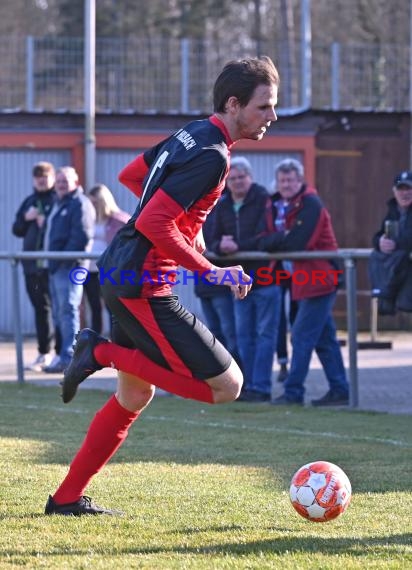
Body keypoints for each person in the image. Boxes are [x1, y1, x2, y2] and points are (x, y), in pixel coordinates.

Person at [44, 56, 279, 516]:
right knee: (226, 386)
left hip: (123, 273)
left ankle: (66, 498)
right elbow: (154, 220)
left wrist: (187, 226)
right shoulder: (212, 156)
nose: (272, 116)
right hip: (142, 286)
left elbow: (132, 176)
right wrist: (210, 270)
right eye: (264, 106)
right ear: (234, 104)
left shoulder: (195, 131)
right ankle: (99, 353)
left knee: (135, 394)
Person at [252, 158, 349, 406]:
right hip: (303, 280)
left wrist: (280, 239)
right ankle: (340, 390)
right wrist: (282, 237)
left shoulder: (311, 203)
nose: (286, 184)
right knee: (324, 339)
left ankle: (294, 392)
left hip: (320, 277)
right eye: (282, 180)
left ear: (300, 181)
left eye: (290, 180)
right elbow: (261, 240)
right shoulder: (274, 203)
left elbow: (299, 244)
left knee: (301, 336)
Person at [208, 156, 281, 402]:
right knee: (243, 336)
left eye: (242, 177)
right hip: (238, 282)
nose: (238, 182)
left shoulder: (264, 200)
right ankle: (247, 386)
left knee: (265, 336)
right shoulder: (223, 204)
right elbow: (211, 237)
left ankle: (262, 387)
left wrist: (238, 246)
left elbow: (268, 237)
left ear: (250, 178)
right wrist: (221, 245)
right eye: (233, 178)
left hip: (265, 279)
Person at [43, 166, 96, 373]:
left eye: (65, 181)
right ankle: (63, 355)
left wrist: (62, 259)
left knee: (68, 311)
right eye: (59, 181)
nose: (61, 185)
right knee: (59, 313)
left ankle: (70, 357)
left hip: (71, 266)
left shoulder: (80, 204)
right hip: (56, 266)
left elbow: (81, 237)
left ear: (75, 182)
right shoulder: (60, 202)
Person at [12, 161, 60, 371]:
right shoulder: (29, 201)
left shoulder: (57, 200)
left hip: (52, 266)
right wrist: (26, 217)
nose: (42, 181)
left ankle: (61, 353)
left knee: (58, 309)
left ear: (51, 178)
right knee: (40, 309)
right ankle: (43, 353)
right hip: (31, 266)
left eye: (45, 178)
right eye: (38, 178)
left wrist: (46, 222)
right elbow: (17, 229)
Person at [193, 206, 241, 364]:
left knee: (230, 334)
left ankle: (238, 375)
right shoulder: (195, 209)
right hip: (203, 283)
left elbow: (221, 243)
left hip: (220, 283)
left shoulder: (221, 207)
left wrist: (218, 246)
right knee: (215, 334)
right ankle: (224, 373)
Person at [84, 184, 130, 334]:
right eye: (90, 202)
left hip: (109, 269)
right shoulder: (87, 219)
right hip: (89, 269)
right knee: (94, 306)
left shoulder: (118, 219)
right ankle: (95, 341)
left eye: (95, 202)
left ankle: (115, 340)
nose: (93, 206)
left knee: (112, 307)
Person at [369, 170, 412, 314]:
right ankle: (383, 295)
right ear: (394, 191)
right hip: (398, 275)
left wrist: (396, 244)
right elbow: (379, 235)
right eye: (401, 189)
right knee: (375, 256)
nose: (405, 193)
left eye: (409, 189)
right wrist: (380, 242)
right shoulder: (393, 210)